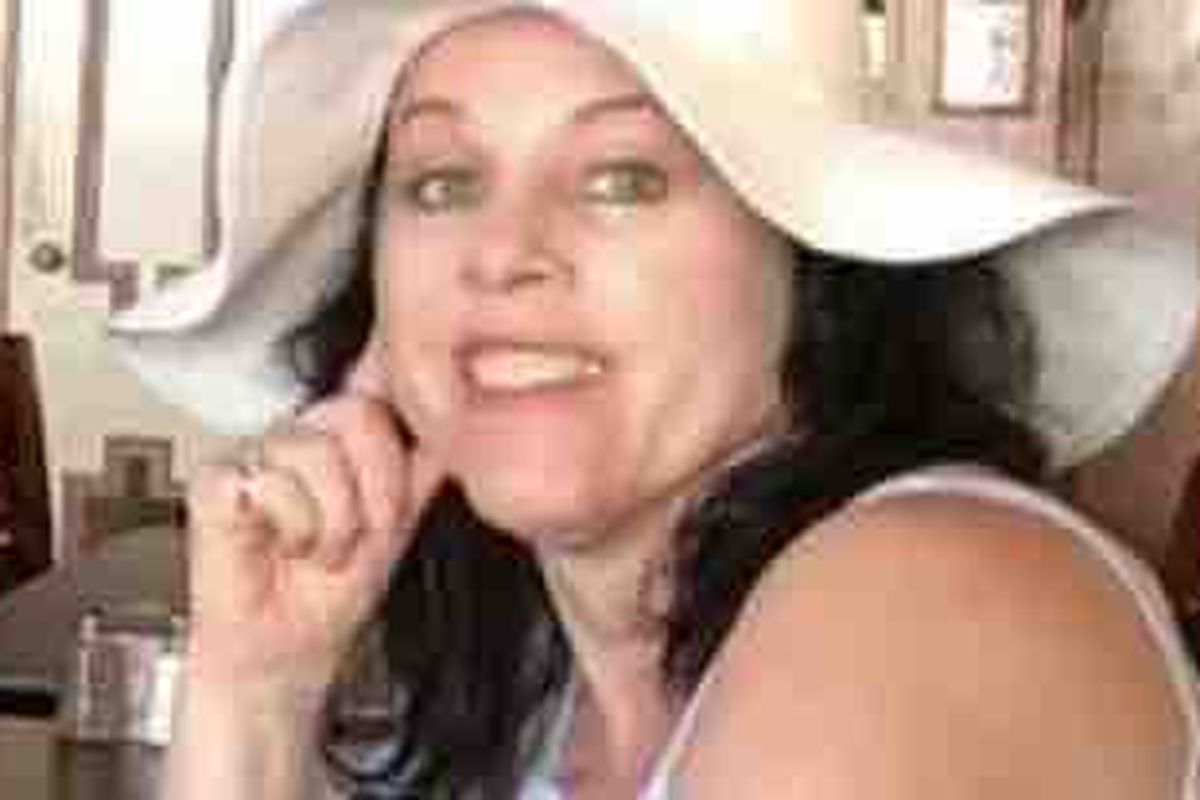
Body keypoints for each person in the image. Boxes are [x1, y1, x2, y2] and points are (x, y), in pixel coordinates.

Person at [108, 1, 1200, 798]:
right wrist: (255, 693)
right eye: (443, 183)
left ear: (815, 265)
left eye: (622, 179)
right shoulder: (541, 684)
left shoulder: (927, 593)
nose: (504, 253)